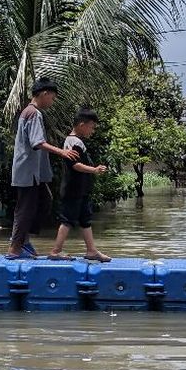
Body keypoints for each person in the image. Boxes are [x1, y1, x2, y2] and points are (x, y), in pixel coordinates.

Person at [6, 78, 79, 260]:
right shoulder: (33, 113)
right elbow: (37, 142)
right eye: (52, 98)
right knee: (25, 208)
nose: (52, 102)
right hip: (27, 171)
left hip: (33, 171)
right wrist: (62, 152)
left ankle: (24, 240)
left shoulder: (30, 112)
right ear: (45, 94)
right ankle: (15, 248)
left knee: (44, 200)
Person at [48, 108, 112, 262]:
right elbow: (75, 165)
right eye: (92, 127)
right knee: (67, 219)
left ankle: (91, 251)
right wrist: (94, 170)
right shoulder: (74, 142)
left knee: (85, 219)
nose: (93, 130)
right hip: (73, 189)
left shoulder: (76, 141)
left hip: (80, 190)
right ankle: (56, 251)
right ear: (82, 125)